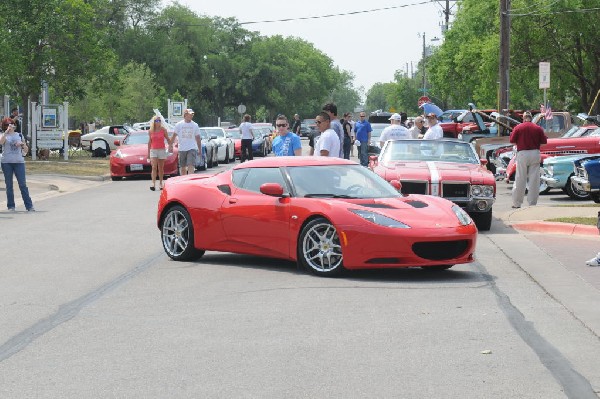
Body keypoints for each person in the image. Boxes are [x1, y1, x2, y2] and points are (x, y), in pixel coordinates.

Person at [509, 111, 548, 208]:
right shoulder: (538, 128)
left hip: (522, 153)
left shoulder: (518, 128)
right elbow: (544, 142)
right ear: (531, 118)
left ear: (523, 118)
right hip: (535, 152)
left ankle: (517, 203)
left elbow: (512, 141)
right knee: (534, 179)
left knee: (520, 178)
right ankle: (532, 203)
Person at [0, 117, 34, 212]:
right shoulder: (3, 135)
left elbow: (26, 150)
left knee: (22, 184)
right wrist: (6, 131)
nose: (9, 126)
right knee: (9, 185)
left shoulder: (19, 135)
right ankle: (11, 206)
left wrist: (22, 145)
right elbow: (1, 142)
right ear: (4, 126)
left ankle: (29, 206)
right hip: (6, 162)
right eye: (6, 125)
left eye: (10, 124)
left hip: (19, 162)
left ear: (14, 125)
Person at [171, 109, 202, 175]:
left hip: (192, 148)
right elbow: (174, 135)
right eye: (190, 114)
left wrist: (199, 149)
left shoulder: (195, 125)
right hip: (182, 148)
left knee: (191, 165)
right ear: (185, 115)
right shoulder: (179, 125)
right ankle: (184, 180)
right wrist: (170, 145)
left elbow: (198, 138)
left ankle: (190, 180)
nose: (191, 116)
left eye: (192, 114)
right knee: (183, 167)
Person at [148, 115, 170, 191]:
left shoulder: (163, 130)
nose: (158, 122)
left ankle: (161, 182)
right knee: (154, 166)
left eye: (159, 121)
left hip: (161, 150)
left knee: (161, 167)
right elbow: (149, 142)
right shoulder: (151, 130)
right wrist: (148, 154)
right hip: (153, 150)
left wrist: (171, 146)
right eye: (156, 121)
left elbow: (167, 138)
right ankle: (153, 183)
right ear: (154, 122)